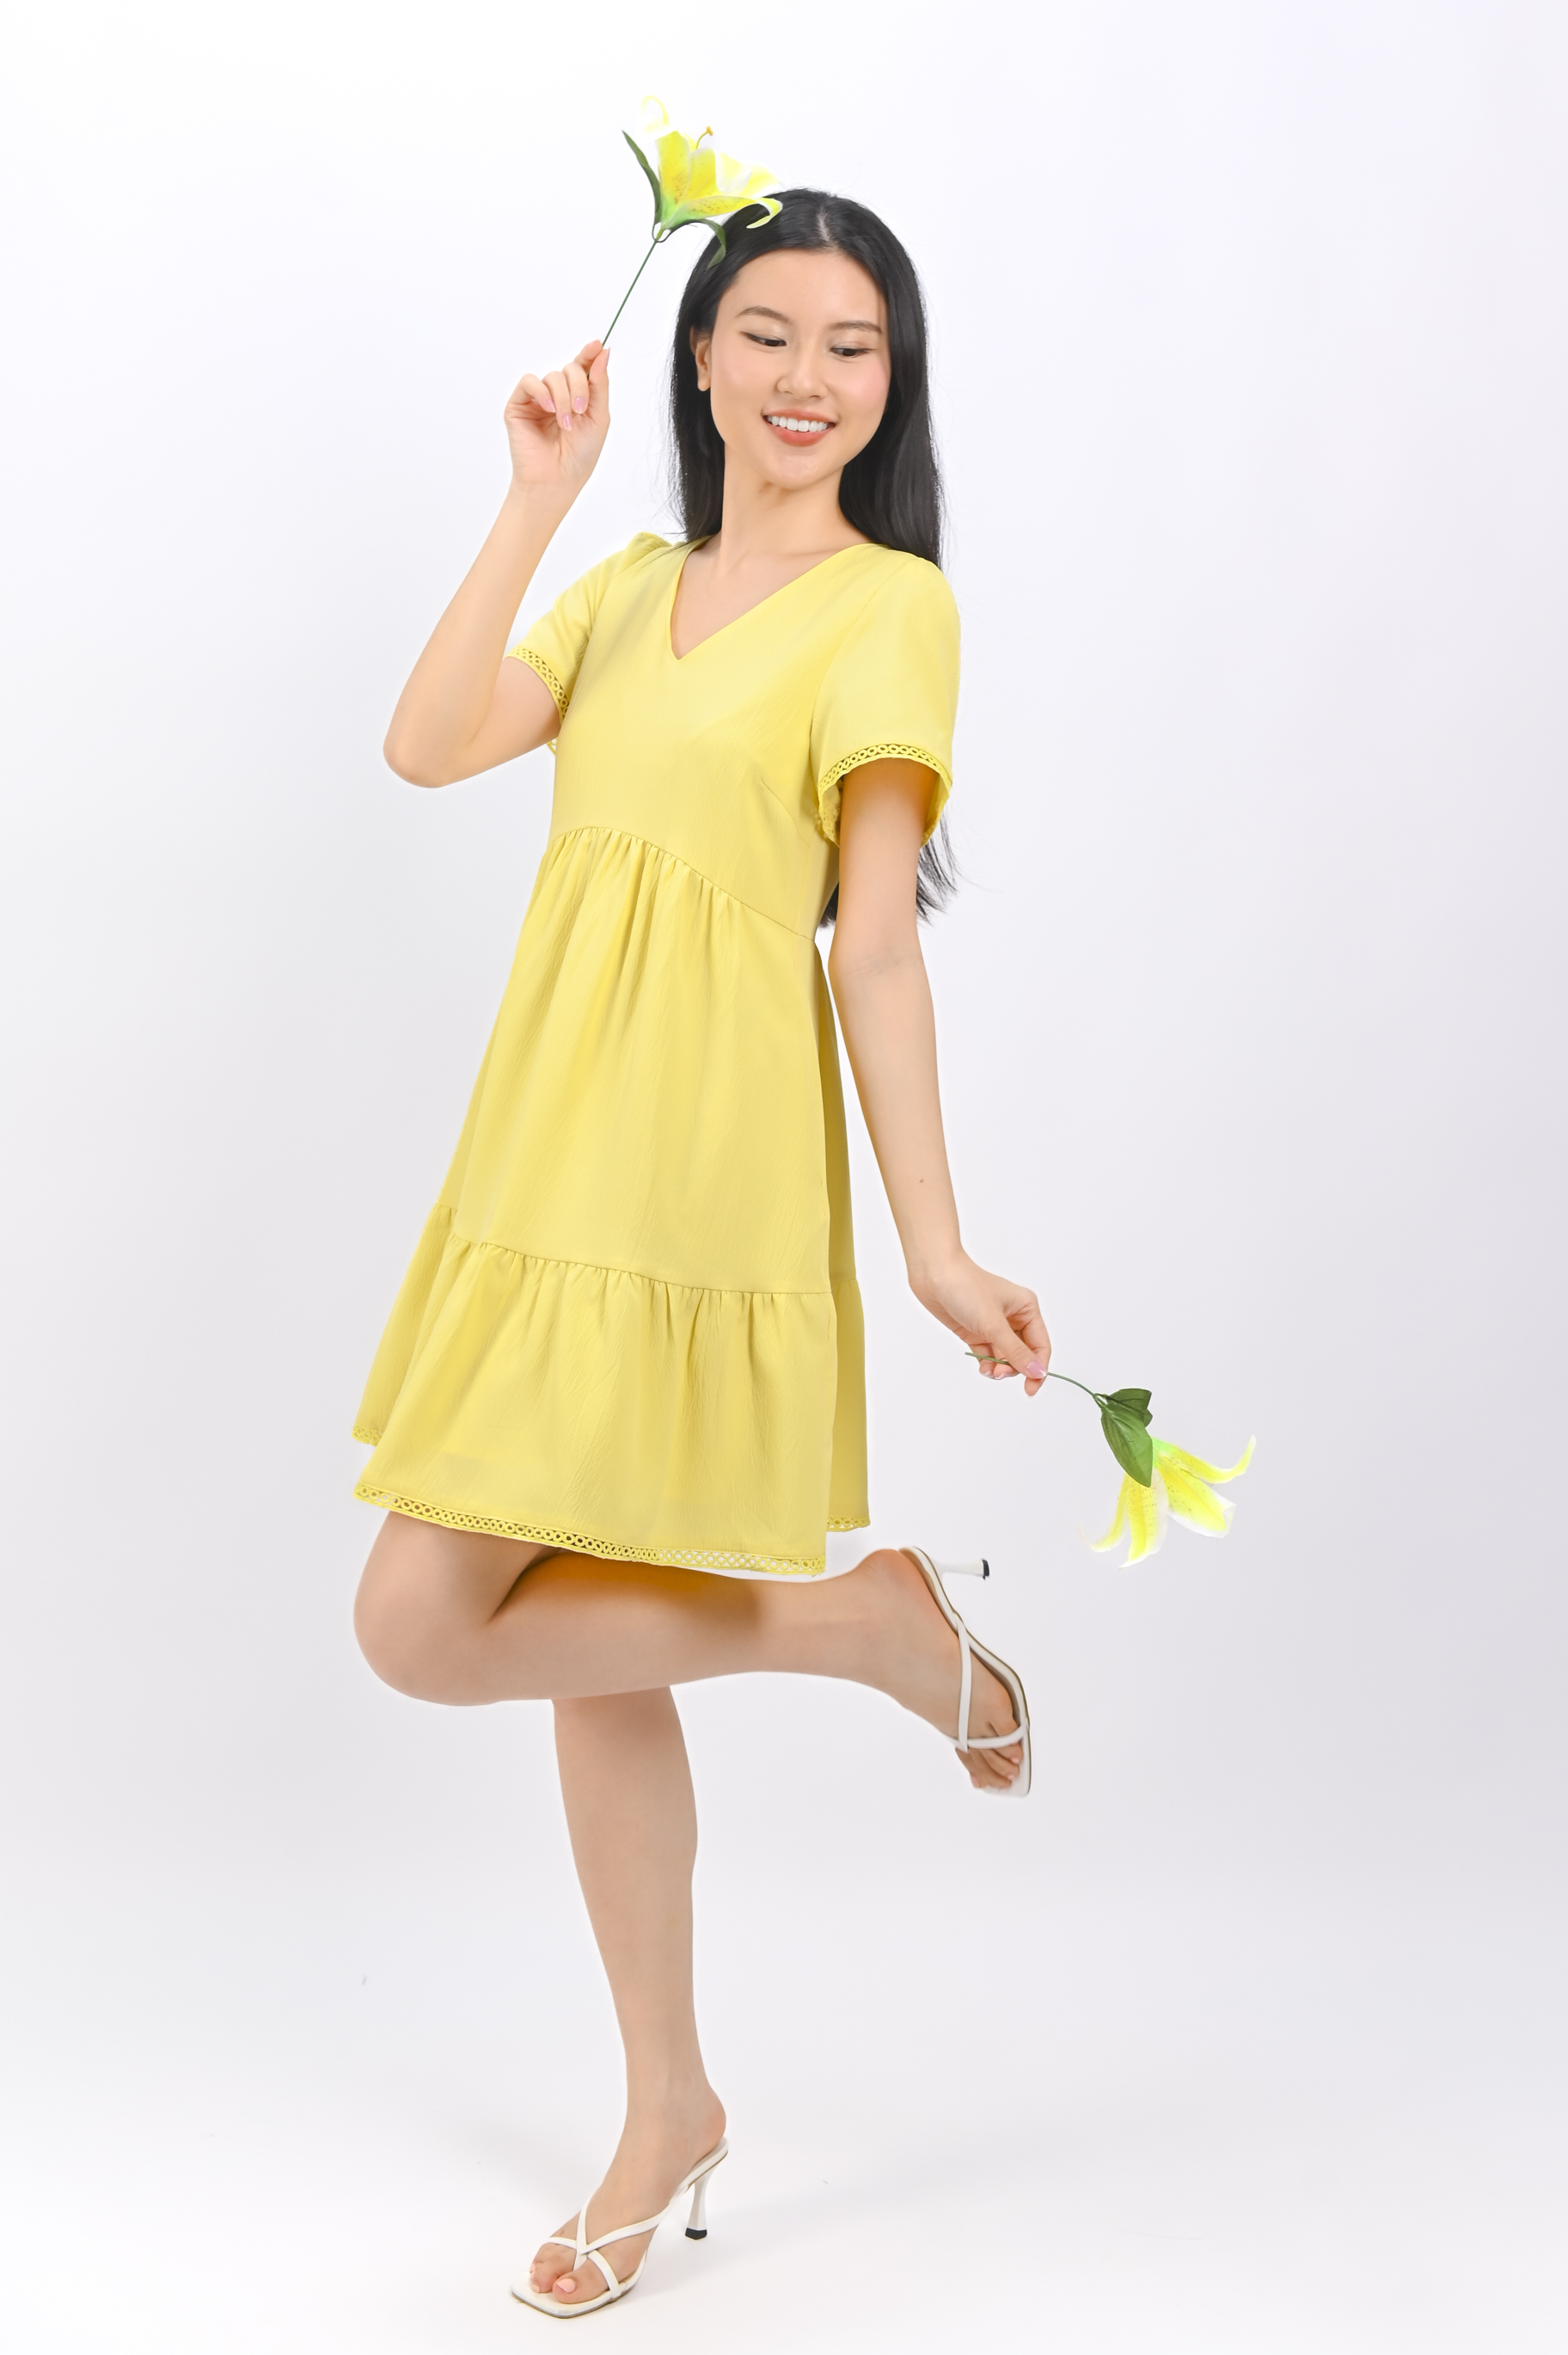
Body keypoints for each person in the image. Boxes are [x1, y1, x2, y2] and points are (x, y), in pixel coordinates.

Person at [352, 188, 1050, 2318]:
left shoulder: (892, 610)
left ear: (892, 384)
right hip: (545, 1149)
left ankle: (869, 1638)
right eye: (768, 333)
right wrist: (533, 496)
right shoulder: (628, 580)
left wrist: (935, 1242)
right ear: (700, 356)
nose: (806, 378)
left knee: (428, 1617)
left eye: (853, 345)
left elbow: (872, 945)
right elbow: (428, 740)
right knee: (532, 1629)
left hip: (703, 1164)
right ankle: (675, 2088)